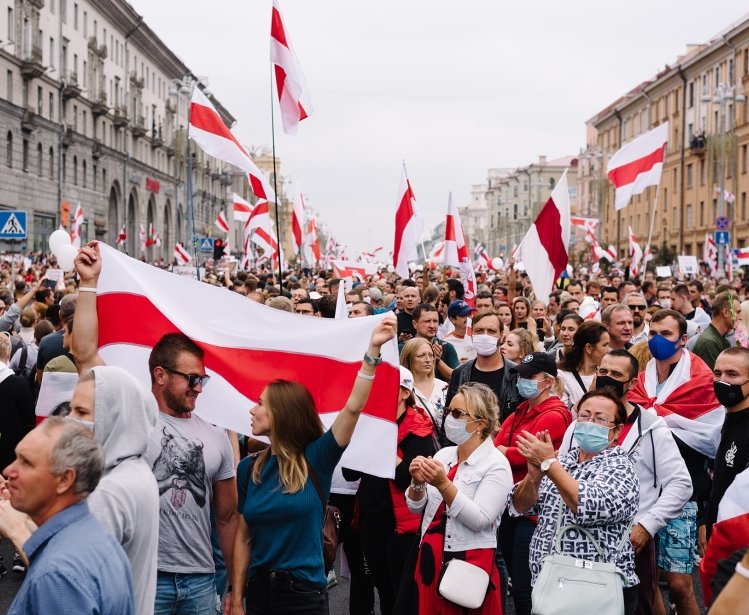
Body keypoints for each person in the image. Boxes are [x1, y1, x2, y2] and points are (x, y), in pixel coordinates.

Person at [73, 241, 239, 614]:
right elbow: (85, 355)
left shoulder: (217, 436)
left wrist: (235, 591)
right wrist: (88, 285)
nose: (199, 388)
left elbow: (228, 518)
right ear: (160, 375)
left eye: (203, 380)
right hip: (144, 576)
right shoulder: (133, 412)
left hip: (201, 581)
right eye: (192, 379)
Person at [230, 315, 396, 615]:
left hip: (302, 595)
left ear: (282, 413)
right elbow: (243, 537)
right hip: (258, 593)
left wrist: (372, 352)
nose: (252, 410)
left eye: (260, 403)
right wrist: (237, 598)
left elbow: (353, 407)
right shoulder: (248, 468)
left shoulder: (317, 459)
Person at [560, 350, 692, 615]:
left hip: (631, 542)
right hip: (578, 540)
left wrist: (647, 525)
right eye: (603, 372)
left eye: (617, 375)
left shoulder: (652, 427)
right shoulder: (579, 424)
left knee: (635, 607)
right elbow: (564, 472)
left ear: (632, 383)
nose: (607, 379)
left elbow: (680, 484)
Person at [510, 389, 641, 615]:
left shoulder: (621, 468)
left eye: (600, 418)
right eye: (584, 415)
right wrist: (533, 477)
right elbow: (520, 506)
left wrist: (549, 464)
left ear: (617, 430)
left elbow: (587, 506)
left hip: (596, 588)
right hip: (551, 582)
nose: (590, 422)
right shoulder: (565, 459)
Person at [628, 309, 723, 615]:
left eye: (665, 334)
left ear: (683, 339)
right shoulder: (641, 382)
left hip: (683, 494)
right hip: (643, 495)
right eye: (652, 333)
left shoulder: (702, 382)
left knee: (681, 585)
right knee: (648, 581)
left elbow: (711, 437)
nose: (657, 340)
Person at [3, 418, 134, 614]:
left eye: (26, 462)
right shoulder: (96, 536)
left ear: (65, 479)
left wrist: (17, 530)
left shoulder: (57, 574)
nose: (8, 471)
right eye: (16, 458)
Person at [406, 383, 513, 614]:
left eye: (457, 414)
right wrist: (417, 482)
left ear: (481, 423)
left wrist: (444, 484)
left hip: (467, 561)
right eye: (447, 412)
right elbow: (417, 508)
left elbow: (481, 520)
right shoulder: (444, 454)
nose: (449, 419)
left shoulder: (496, 465)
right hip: (430, 557)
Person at [342, 366, 435, 615]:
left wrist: (383, 445)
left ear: (405, 392)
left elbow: (409, 478)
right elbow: (349, 473)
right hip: (370, 518)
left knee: (400, 592)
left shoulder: (419, 428)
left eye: (385, 387)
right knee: (382, 587)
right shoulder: (370, 424)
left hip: (400, 524)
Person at [493, 352, 571, 615]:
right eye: (521, 375)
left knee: (526, 586)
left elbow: (529, 453)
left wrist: (505, 451)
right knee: (518, 578)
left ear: (548, 382)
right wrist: (504, 450)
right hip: (512, 500)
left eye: (530, 376)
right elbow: (499, 445)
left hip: (534, 509)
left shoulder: (555, 414)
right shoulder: (522, 409)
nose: (522, 381)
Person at [702, 347, 749, 544]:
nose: (723, 381)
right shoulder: (724, 421)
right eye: (717, 373)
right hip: (718, 535)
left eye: (732, 375)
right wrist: (705, 521)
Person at [446, 310, 521, 422]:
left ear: (501, 336)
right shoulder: (460, 372)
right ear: (472, 335)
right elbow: (449, 417)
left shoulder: (516, 374)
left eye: (491, 331)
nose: (485, 336)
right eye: (479, 331)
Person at [557, 321, 610, 411]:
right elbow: (564, 417)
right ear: (589, 348)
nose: (608, 350)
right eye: (605, 345)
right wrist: (589, 395)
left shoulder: (607, 374)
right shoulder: (561, 376)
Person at [401, 337, 447, 427]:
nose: (428, 360)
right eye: (421, 356)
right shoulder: (402, 389)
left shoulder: (444, 387)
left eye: (431, 355)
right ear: (409, 358)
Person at [692, 291, 739, 370]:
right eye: (738, 312)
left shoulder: (719, 337)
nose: (740, 317)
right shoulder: (708, 342)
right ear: (725, 312)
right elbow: (713, 379)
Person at [411, 303, 459, 380]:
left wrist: (437, 360)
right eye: (427, 321)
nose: (432, 326)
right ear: (415, 324)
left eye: (435, 321)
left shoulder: (447, 347)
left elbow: (455, 377)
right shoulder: (404, 348)